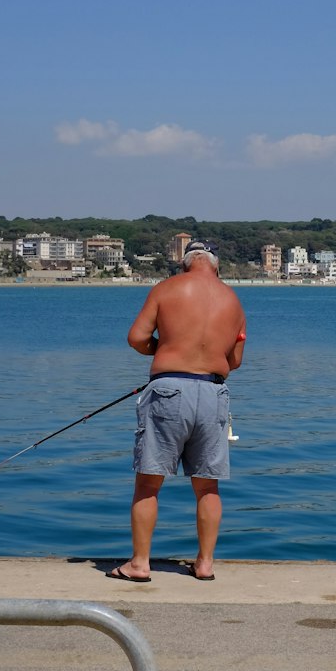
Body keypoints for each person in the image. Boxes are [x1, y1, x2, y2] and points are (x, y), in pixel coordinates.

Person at [108, 241, 246, 583]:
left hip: (169, 389)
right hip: (214, 392)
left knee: (148, 484)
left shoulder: (166, 288)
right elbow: (236, 361)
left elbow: (137, 338)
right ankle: (205, 564)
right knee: (208, 487)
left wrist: (166, 347)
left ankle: (140, 564)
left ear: (186, 264)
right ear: (215, 266)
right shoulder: (234, 301)